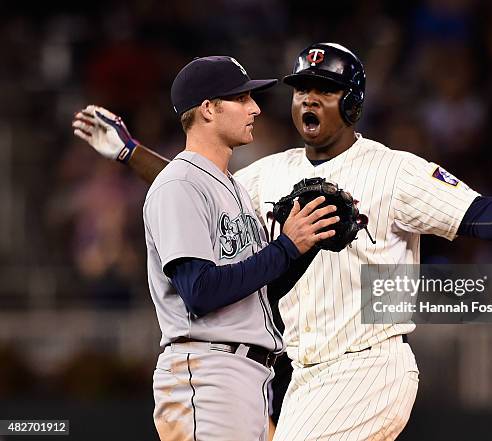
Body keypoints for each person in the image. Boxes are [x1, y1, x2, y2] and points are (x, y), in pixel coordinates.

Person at [73, 43, 492, 440]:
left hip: (369, 363)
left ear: (353, 102)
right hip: (302, 377)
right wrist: (130, 153)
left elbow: (472, 213)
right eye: (301, 90)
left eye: (325, 89)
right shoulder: (269, 175)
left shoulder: (393, 170)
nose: (308, 98)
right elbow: (193, 189)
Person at [75, 55, 341, 441]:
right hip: (206, 373)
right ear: (208, 109)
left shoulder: (230, 188)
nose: (255, 108)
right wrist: (285, 245)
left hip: (244, 376)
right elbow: (200, 291)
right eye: (242, 98)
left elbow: (258, 290)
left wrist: (305, 244)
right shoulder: (179, 184)